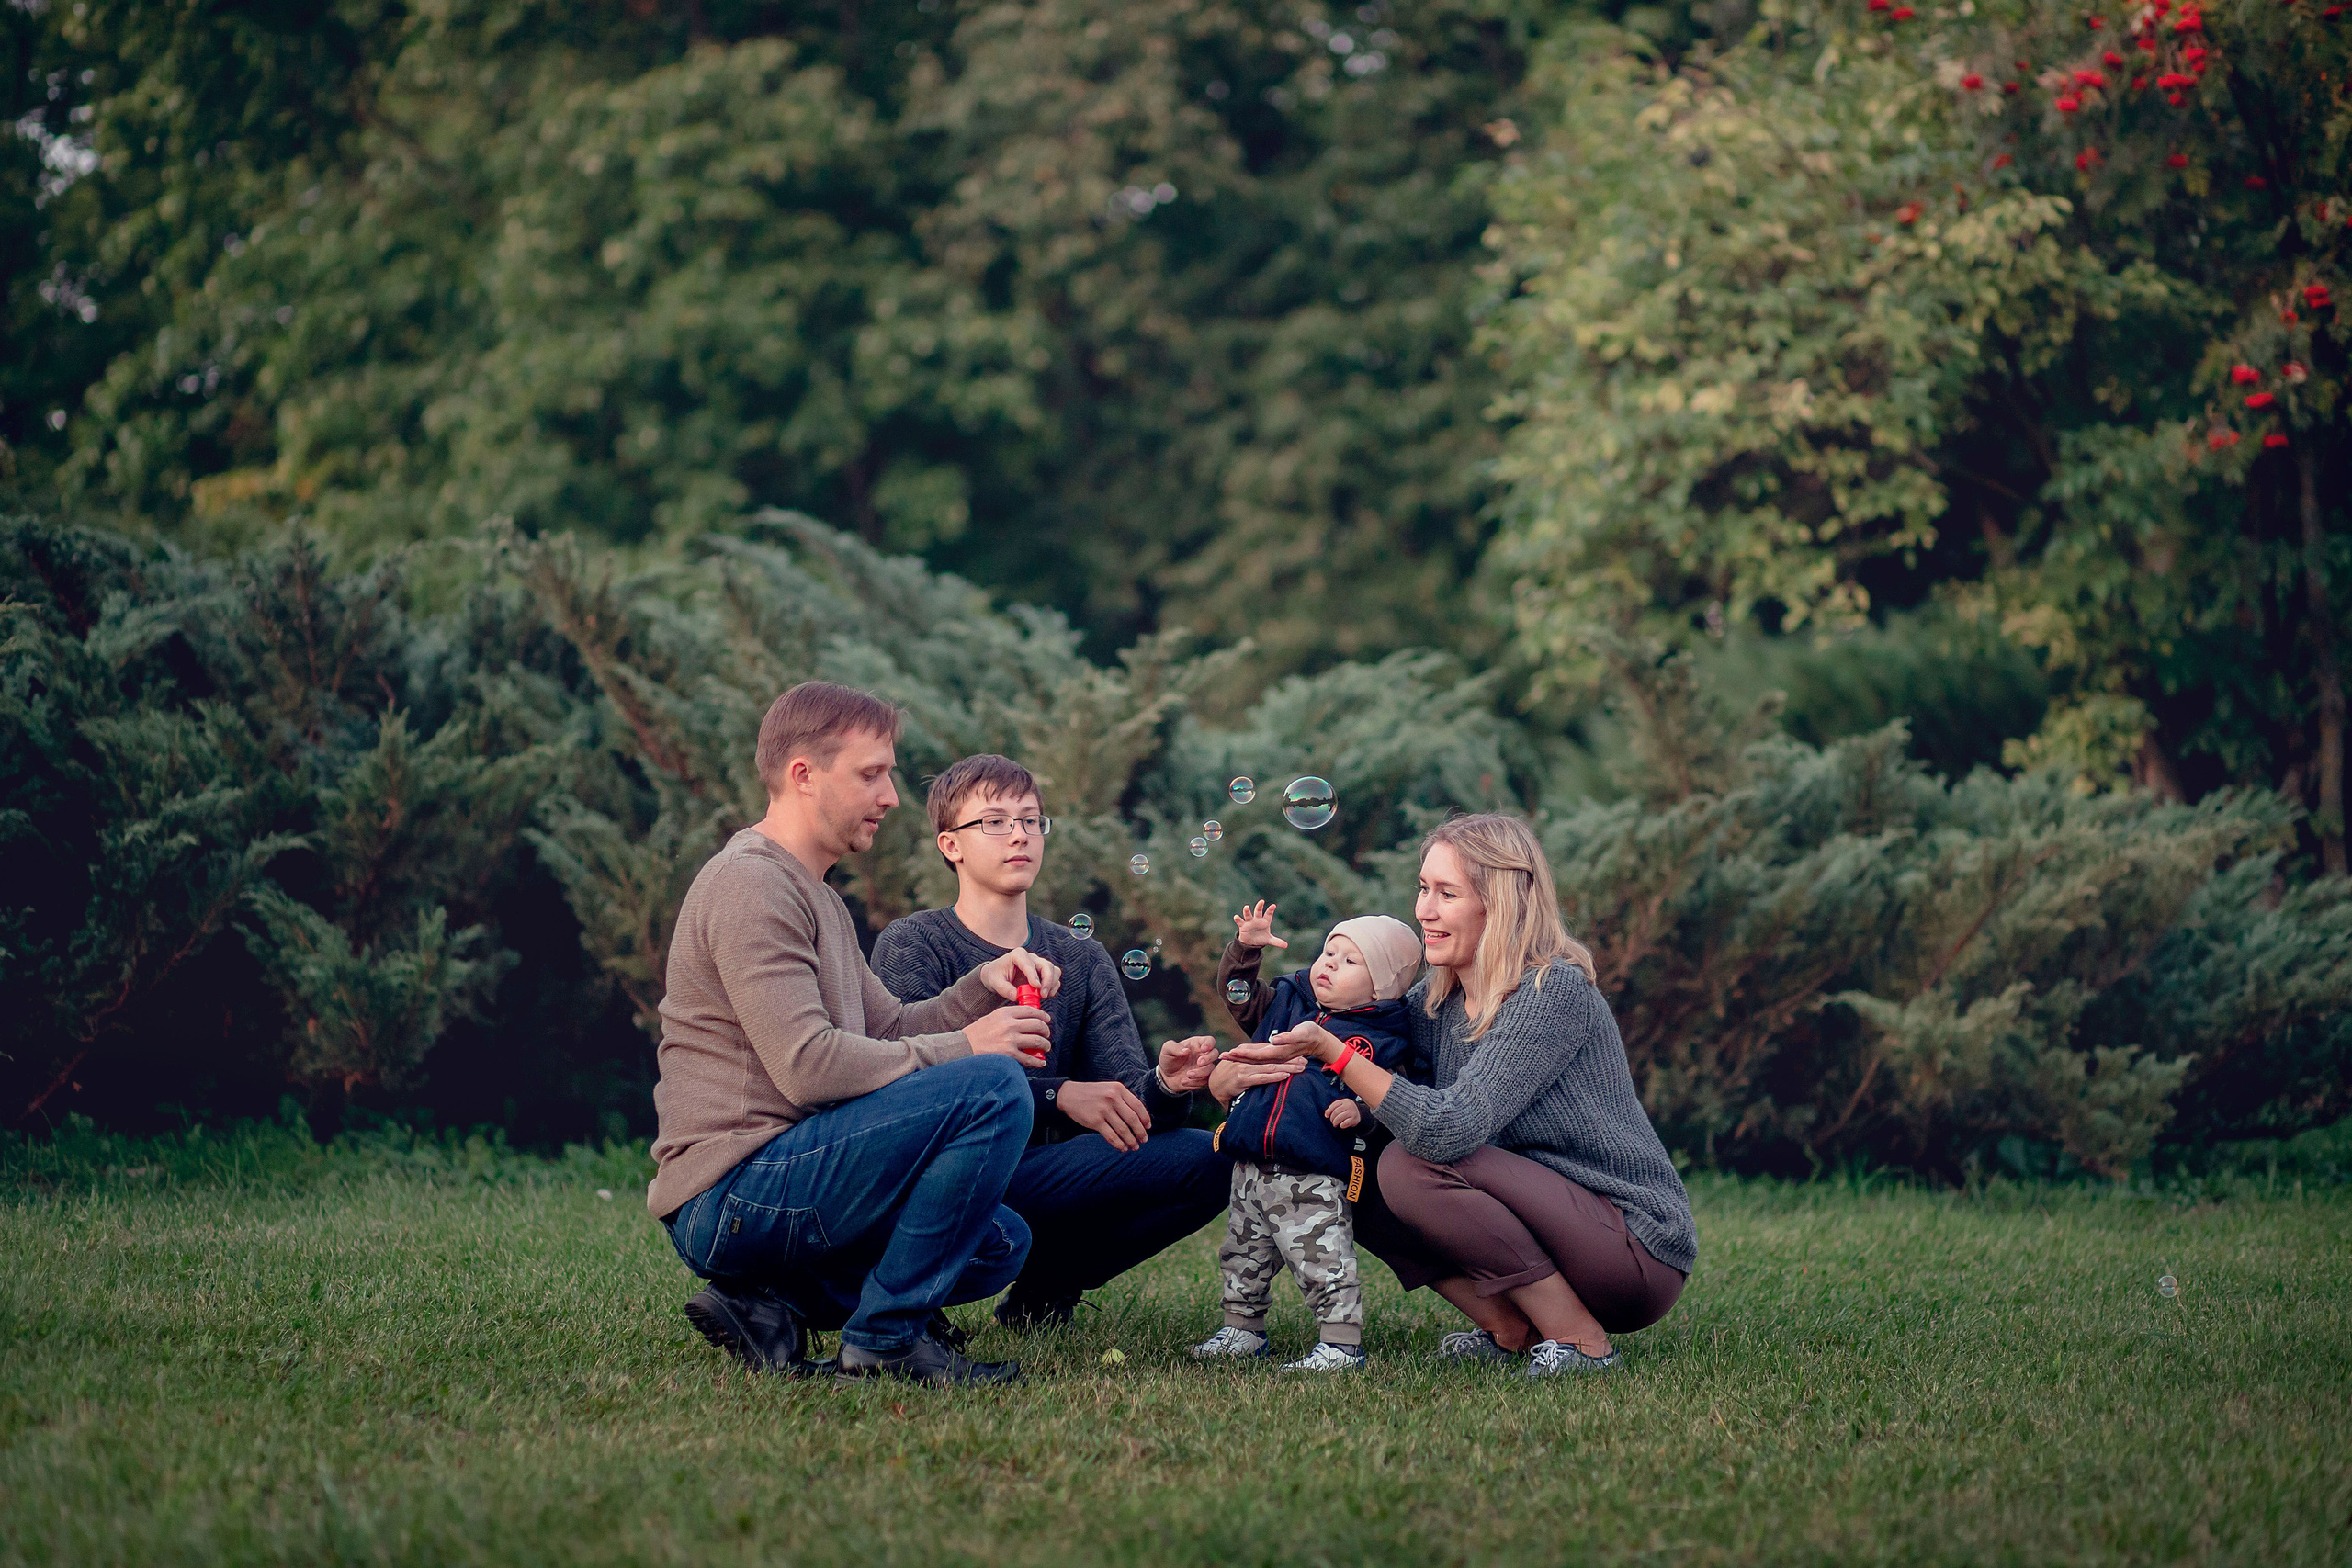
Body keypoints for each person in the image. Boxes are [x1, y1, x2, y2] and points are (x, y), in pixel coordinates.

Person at [649, 682, 1066, 1387]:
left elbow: (891, 1027)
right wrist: (971, 1047)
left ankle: (768, 1303)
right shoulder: (751, 885)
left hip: (785, 1173)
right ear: (803, 775)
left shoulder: (816, 894)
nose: (892, 796)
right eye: (871, 774)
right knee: (994, 1088)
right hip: (733, 1192)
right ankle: (885, 1341)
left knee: (999, 1241)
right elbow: (808, 1067)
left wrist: (980, 986)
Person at [1219, 812, 1696, 1378]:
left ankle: (1581, 1340)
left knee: (1411, 1164)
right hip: (1540, 1221)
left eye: (1447, 893)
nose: (1424, 910)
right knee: (1350, 1167)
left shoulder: (1552, 990)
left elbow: (1448, 1129)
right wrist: (1230, 1078)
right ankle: (1510, 1329)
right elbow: (1347, 1037)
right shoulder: (1434, 1002)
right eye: (1423, 888)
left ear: (1500, 905)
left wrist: (1335, 1053)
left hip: (1627, 1247)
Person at [870, 755, 1225, 1329]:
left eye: (1032, 820)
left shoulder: (1080, 957)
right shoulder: (914, 943)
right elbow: (905, 1087)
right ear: (951, 845)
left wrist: (1165, 1084)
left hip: (1037, 1176)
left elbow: (1127, 1106)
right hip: (936, 1175)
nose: (1019, 834)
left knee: (1210, 1157)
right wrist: (1061, 1096)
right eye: (994, 821)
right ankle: (914, 1297)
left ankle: (1045, 1291)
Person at [1191, 902, 1422, 1371]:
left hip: (1312, 1173)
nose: (1329, 964)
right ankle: (1242, 1329)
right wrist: (1245, 951)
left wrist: (1361, 1112)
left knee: (1322, 1258)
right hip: (1250, 1164)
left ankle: (1340, 1343)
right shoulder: (1286, 1002)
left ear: (1381, 987)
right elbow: (1239, 996)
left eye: (1350, 961)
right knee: (1242, 1255)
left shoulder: (1383, 1040)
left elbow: (1398, 1101)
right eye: (1328, 952)